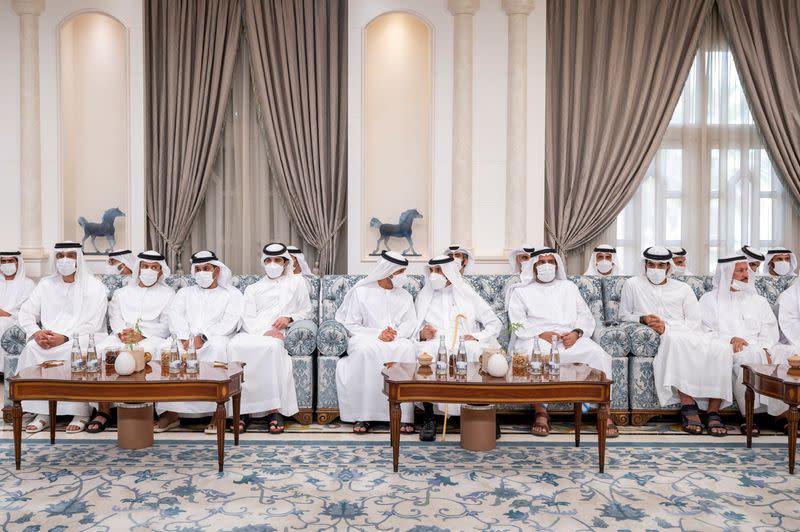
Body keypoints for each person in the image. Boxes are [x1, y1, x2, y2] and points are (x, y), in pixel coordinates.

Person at [507, 248, 617, 438]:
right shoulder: (521, 291)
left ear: (557, 265)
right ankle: (541, 411)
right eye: (542, 262)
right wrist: (541, 333)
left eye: (551, 261)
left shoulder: (569, 288)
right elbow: (516, 322)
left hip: (569, 339)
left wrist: (576, 333)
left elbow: (586, 316)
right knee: (527, 357)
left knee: (598, 354)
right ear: (534, 266)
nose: (547, 265)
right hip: (537, 339)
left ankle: (604, 411)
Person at [619, 247, 728, 436]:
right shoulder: (632, 284)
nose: (655, 269)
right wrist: (643, 319)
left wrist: (668, 326)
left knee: (722, 348)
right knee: (674, 340)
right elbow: (623, 315)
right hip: (667, 335)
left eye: (661, 265)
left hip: (688, 330)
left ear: (669, 267)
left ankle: (713, 410)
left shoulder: (683, 288)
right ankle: (688, 405)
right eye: (651, 264)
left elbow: (695, 321)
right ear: (644, 264)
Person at [17, 242, 108, 433]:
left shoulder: (94, 286)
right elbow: (26, 312)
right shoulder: (45, 284)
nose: (65, 260)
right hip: (48, 337)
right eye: (60, 256)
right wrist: (36, 332)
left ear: (79, 259)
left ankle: (80, 412)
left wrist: (65, 337)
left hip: (84, 336)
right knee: (32, 348)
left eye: (70, 255)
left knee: (77, 350)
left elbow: (93, 322)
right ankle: (43, 412)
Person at [227, 243, 313, 434]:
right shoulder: (253, 288)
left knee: (272, 349)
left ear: (285, 262)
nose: (272, 264)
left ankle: (274, 411)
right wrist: (261, 332)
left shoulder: (297, 283)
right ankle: (241, 411)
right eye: (268, 260)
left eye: (277, 260)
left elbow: (306, 312)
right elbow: (246, 318)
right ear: (263, 263)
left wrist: (289, 318)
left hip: (279, 331)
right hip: (254, 331)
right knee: (234, 347)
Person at [154, 251, 244, 434]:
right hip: (184, 338)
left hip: (215, 337)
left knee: (217, 350)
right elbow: (175, 314)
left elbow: (230, 321)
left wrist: (203, 337)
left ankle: (214, 413)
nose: (202, 272)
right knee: (165, 350)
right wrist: (184, 336)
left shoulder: (231, 294)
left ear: (217, 270)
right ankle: (171, 413)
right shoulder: (185, 293)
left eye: (206, 268)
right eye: (198, 269)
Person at [414, 255, 502, 441]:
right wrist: (422, 334)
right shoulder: (424, 295)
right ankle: (429, 417)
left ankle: (484, 413)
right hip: (436, 341)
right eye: (431, 270)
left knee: (474, 351)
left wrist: (476, 336)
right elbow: (413, 329)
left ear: (448, 272)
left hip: (464, 340)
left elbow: (494, 323)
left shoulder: (466, 293)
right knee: (427, 353)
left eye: (438, 270)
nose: (434, 274)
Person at [89, 251, 175, 433]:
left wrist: (141, 335)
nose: (149, 271)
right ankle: (104, 410)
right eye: (145, 266)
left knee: (150, 351)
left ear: (161, 272)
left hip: (153, 337)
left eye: (154, 267)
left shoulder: (168, 294)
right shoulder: (122, 293)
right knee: (102, 349)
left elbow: (167, 325)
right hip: (122, 336)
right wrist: (123, 333)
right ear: (138, 268)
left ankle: (149, 408)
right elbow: (115, 317)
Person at [335, 250, 417, 434]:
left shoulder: (405, 296)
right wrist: (377, 334)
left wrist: (394, 334)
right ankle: (364, 415)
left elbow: (410, 323)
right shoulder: (362, 291)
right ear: (389, 271)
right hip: (366, 337)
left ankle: (404, 416)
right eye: (400, 272)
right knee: (365, 352)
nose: (404, 277)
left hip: (397, 338)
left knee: (407, 350)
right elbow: (351, 324)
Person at [699, 255, 779, 436]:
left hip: (756, 347)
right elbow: (703, 329)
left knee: (757, 356)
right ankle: (748, 416)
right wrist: (730, 339)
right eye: (741, 271)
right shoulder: (709, 300)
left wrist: (765, 347)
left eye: (747, 270)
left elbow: (770, 328)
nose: (746, 275)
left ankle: (776, 415)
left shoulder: (759, 301)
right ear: (727, 273)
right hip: (722, 346)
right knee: (740, 358)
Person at [0, 251, 36, 372]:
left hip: (17, 321)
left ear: (18, 263)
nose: (6, 264)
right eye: (3, 261)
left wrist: (7, 314)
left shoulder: (28, 284)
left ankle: (4, 370)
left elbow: (31, 310)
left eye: (10, 261)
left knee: (2, 323)